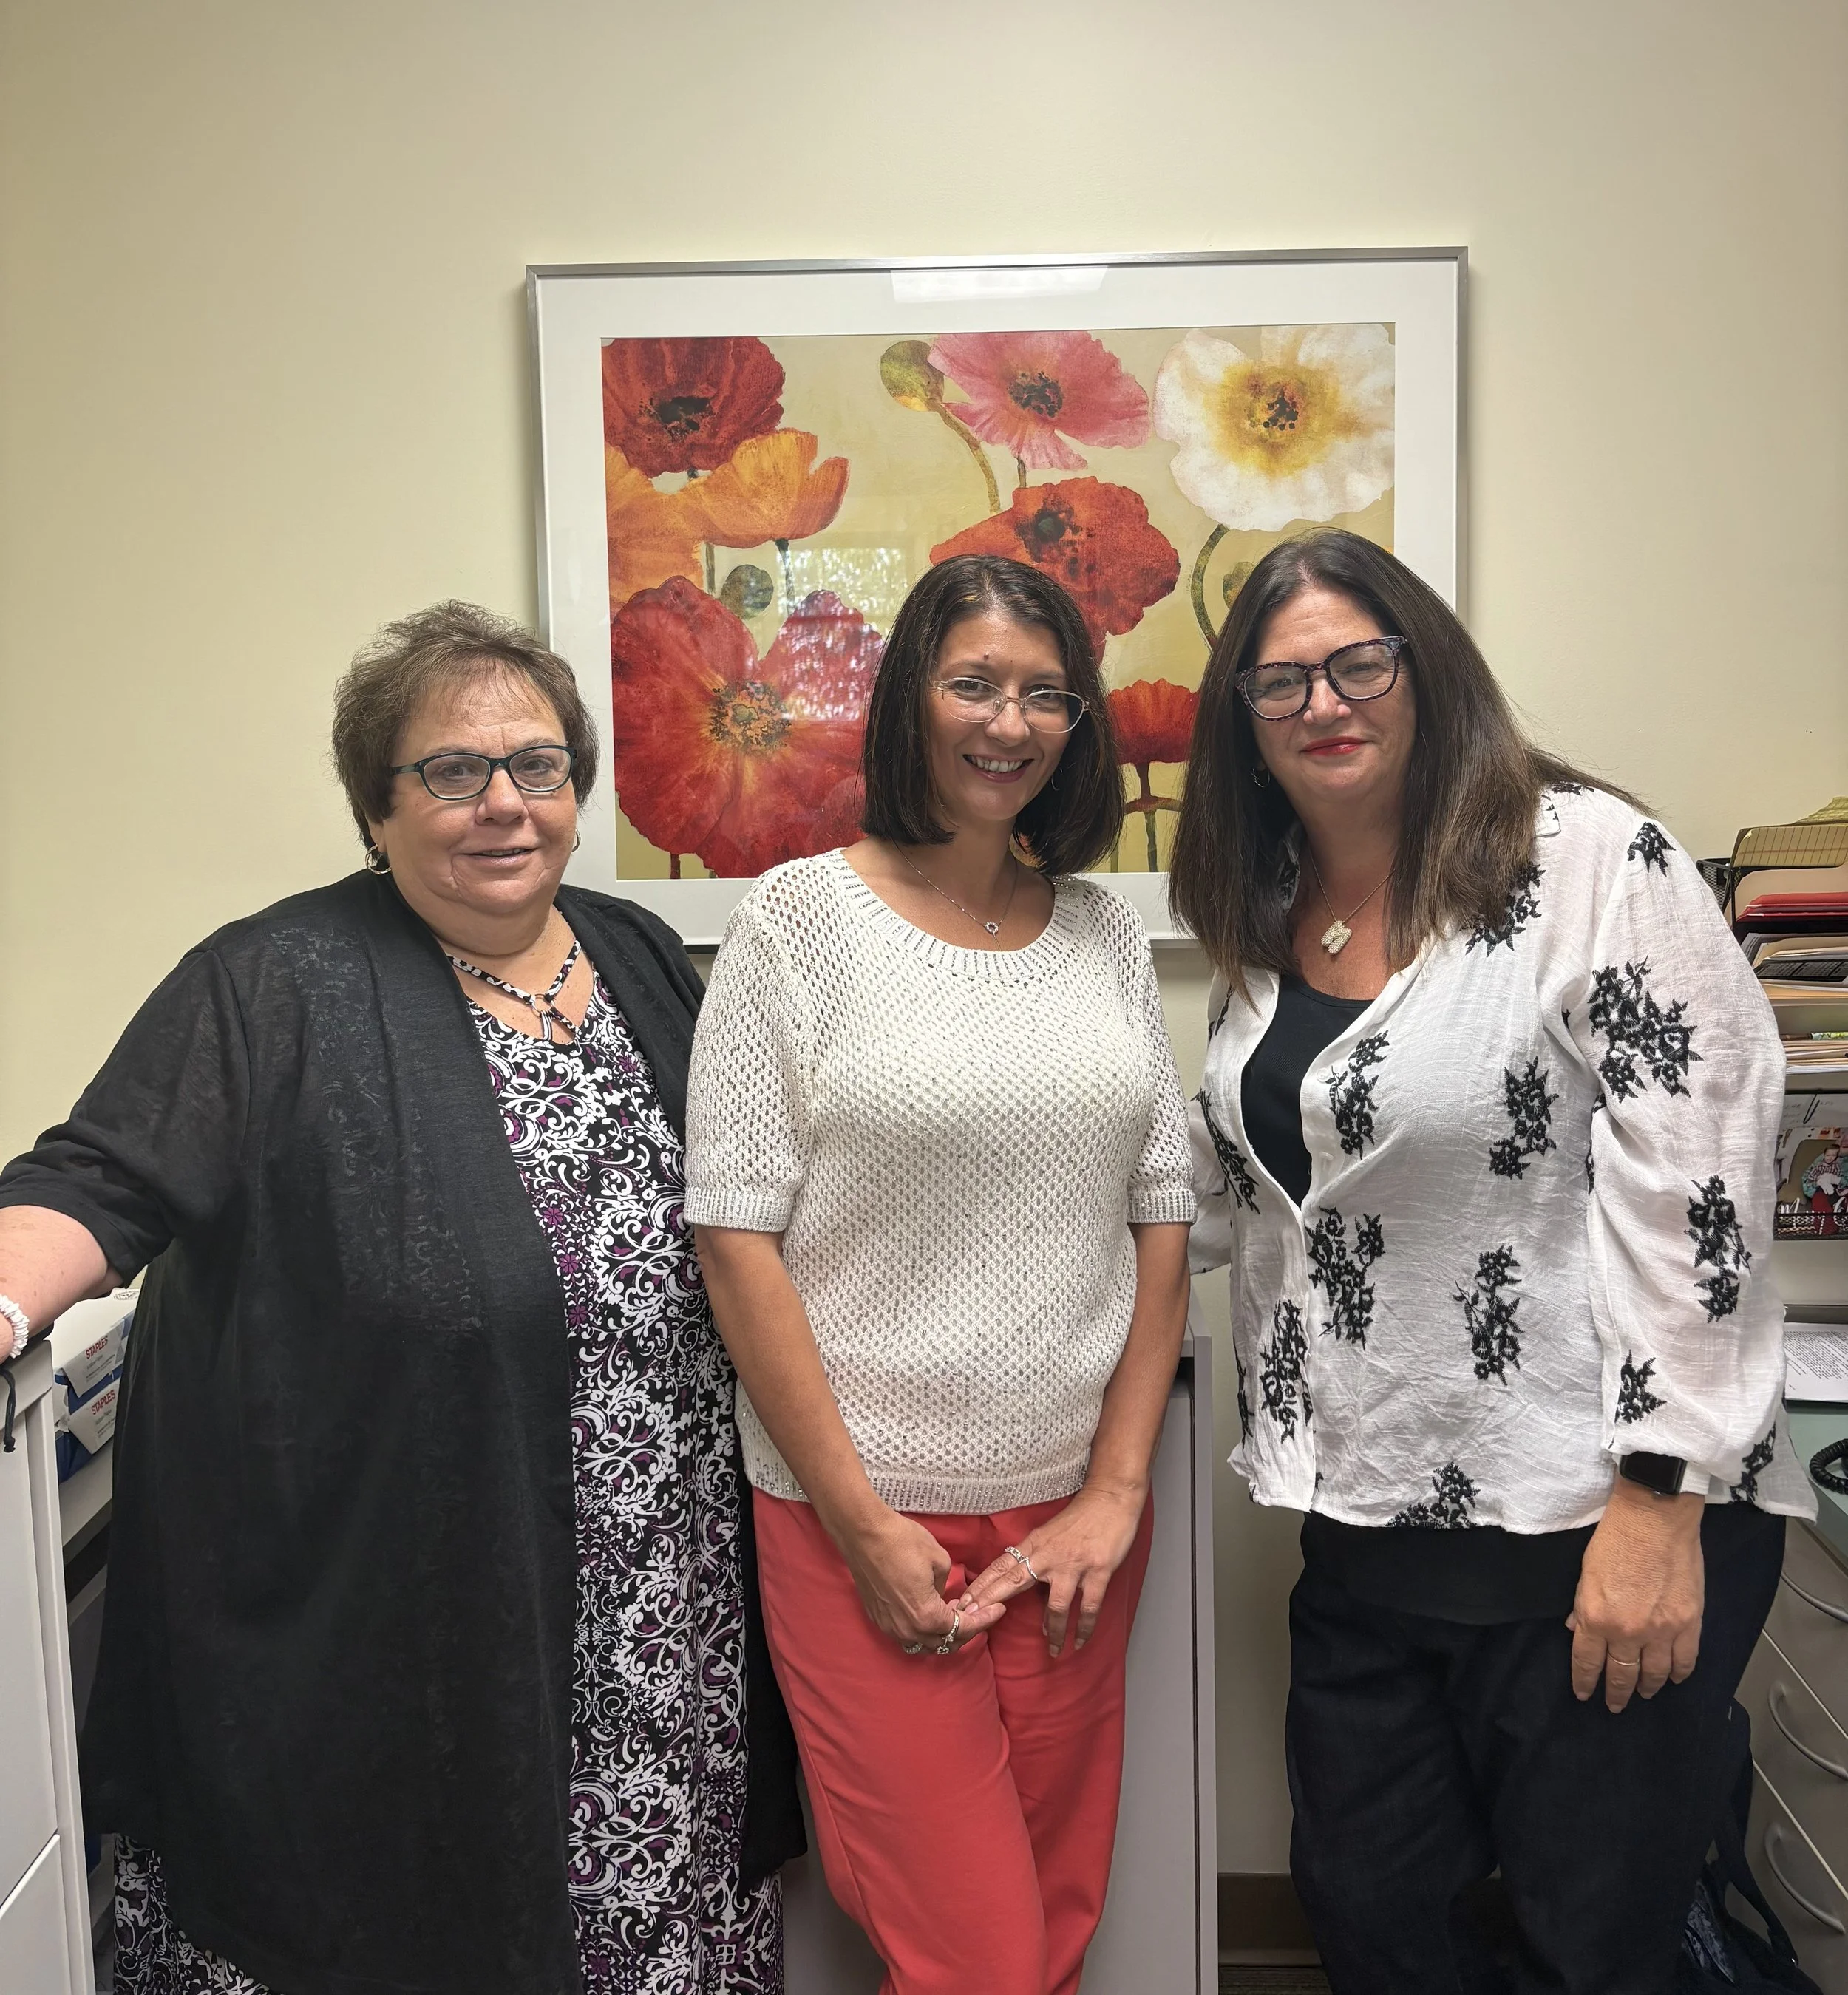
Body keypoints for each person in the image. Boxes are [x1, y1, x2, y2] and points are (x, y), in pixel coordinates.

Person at [0, 602, 801, 1995]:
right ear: (378, 803)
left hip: (661, 1598)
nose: (503, 803)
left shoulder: (638, 957)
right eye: (451, 771)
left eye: (538, 766)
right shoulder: (272, 981)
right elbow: (100, 1178)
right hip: (403, 1594)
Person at [1169, 529, 1815, 1995]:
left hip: (1593, 1518)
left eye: (1355, 662)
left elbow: (1696, 1182)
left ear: (1422, 666)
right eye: (1279, 682)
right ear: (1243, 723)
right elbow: (1245, 1191)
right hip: (1366, 1516)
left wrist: (1656, 1507)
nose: (1322, 701)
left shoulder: (1585, 856)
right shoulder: (1266, 905)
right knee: (1371, 1916)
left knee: (1587, 1944)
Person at [684, 553, 1195, 1995]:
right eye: (972, 681)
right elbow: (734, 1236)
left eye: (1045, 693)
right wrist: (854, 1518)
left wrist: (1115, 1484)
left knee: (1049, 1914)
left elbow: (1162, 1205)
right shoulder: (795, 925)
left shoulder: (1096, 928)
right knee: (968, 1949)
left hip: (1073, 1522)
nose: (1008, 721)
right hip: (862, 1519)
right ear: (910, 696)